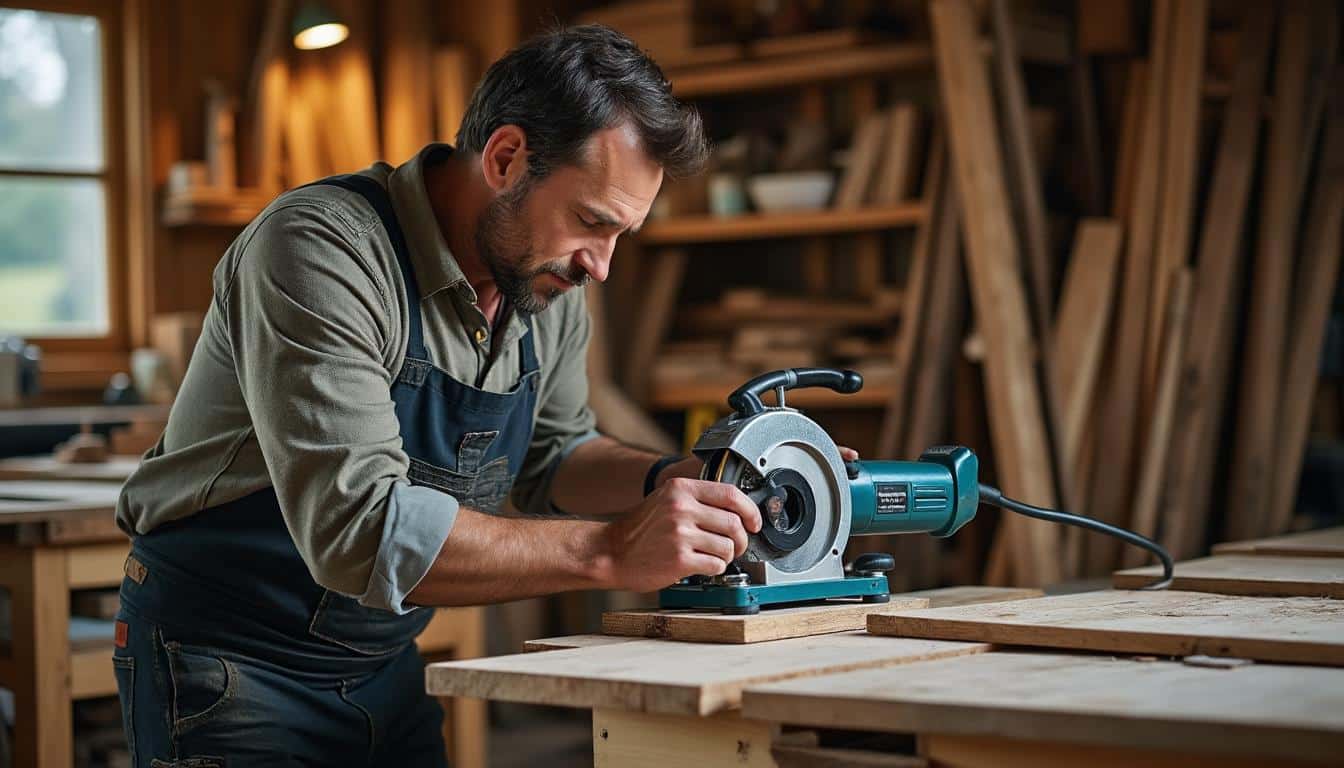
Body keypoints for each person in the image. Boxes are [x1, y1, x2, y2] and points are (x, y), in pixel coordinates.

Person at [112, 25, 767, 767]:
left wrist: (672, 481)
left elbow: (557, 455)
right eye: (591, 222)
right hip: (228, 659)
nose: (602, 265)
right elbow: (359, 526)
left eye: (623, 234)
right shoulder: (321, 249)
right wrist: (613, 549)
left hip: (381, 664)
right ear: (506, 158)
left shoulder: (542, 290)